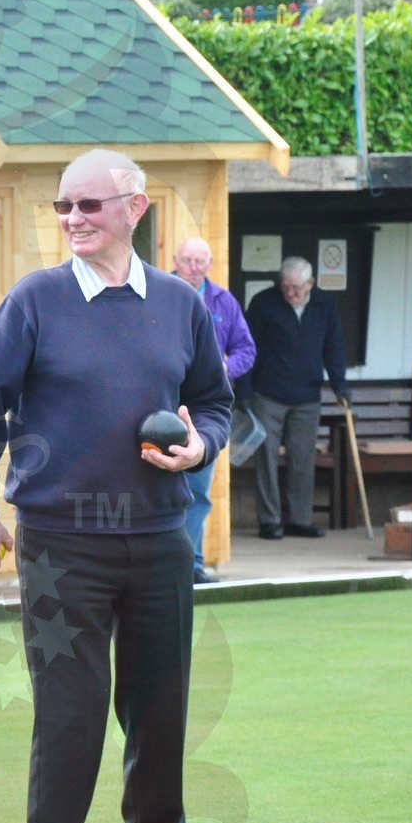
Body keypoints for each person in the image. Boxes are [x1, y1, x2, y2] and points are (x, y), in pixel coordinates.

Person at [0, 149, 235, 823]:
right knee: (71, 713)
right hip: (60, 542)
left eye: (90, 206)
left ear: (135, 209)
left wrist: (199, 448)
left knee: (161, 711)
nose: (73, 219)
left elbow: (214, 402)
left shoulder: (180, 304)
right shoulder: (35, 301)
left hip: (159, 535)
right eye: (63, 207)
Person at [245, 255, 349, 539]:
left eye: (297, 287)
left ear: (311, 283)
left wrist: (340, 385)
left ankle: (300, 520)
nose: (291, 293)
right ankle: (270, 521)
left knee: (302, 459)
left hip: (307, 395)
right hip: (268, 393)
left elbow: (334, 346)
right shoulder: (264, 303)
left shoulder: (324, 305)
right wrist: (243, 391)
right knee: (265, 458)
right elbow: (247, 347)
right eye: (286, 286)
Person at [171, 237, 255, 583]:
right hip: (165, 407)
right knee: (160, 491)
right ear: (174, 260)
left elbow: (246, 350)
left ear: (209, 263)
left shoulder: (223, 300)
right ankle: (167, 566)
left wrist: (223, 369)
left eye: (200, 261)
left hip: (205, 410)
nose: (194, 267)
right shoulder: (159, 294)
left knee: (197, 490)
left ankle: (192, 564)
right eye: (188, 260)